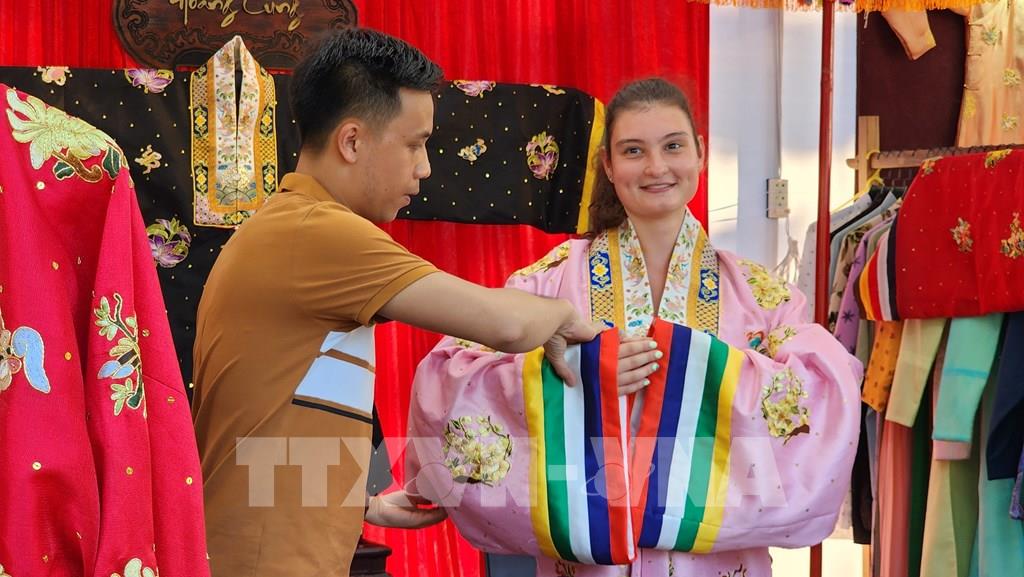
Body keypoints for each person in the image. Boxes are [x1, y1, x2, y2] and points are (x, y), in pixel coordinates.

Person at [406, 78, 863, 577]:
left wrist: (697, 375)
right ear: (608, 164)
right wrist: (578, 377)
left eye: (673, 146)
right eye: (633, 151)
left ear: (701, 153)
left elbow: (826, 390)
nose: (656, 167)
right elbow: (449, 377)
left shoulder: (760, 294)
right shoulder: (547, 281)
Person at [190, 28, 599, 577]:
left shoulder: (292, 228)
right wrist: (565, 314)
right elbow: (502, 323)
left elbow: (280, 408)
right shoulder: (318, 232)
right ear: (352, 141)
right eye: (414, 144)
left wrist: (363, 505)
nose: (424, 167)